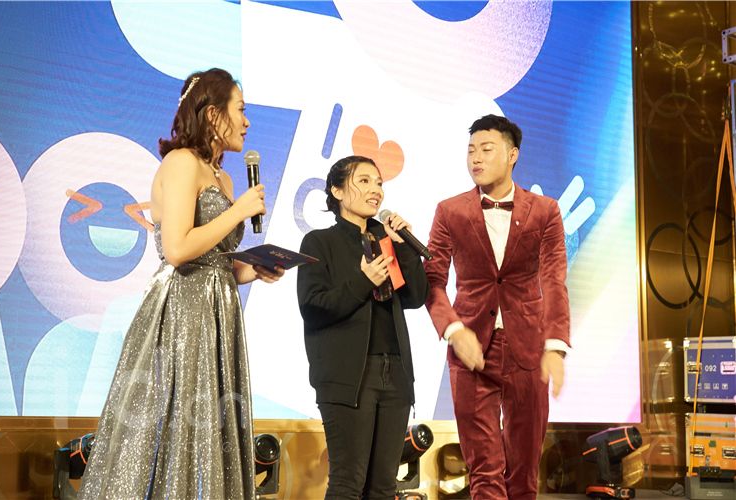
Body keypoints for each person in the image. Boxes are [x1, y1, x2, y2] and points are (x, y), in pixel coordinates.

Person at [79, 68, 284, 500]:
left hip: (218, 315)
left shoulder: (224, 178)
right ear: (213, 114)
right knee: (173, 423)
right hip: (181, 314)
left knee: (211, 426)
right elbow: (176, 248)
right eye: (240, 110)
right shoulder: (181, 163)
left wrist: (254, 270)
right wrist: (238, 211)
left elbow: (216, 260)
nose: (247, 122)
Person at [424, 115, 570, 499]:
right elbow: (432, 281)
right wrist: (454, 331)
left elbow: (554, 280)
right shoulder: (450, 211)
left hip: (529, 350)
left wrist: (556, 345)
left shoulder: (545, 211)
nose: (476, 158)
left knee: (523, 474)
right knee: (484, 470)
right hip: (471, 350)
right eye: (471, 150)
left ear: (512, 155)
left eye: (486, 149)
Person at [296, 156, 429, 499]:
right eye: (365, 181)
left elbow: (415, 297)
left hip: (395, 374)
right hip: (348, 377)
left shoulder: (386, 240)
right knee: (347, 483)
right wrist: (362, 280)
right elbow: (313, 307)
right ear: (337, 190)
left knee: (384, 486)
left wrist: (405, 248)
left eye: (379, 183)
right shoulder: (318, 243)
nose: (376, 190)